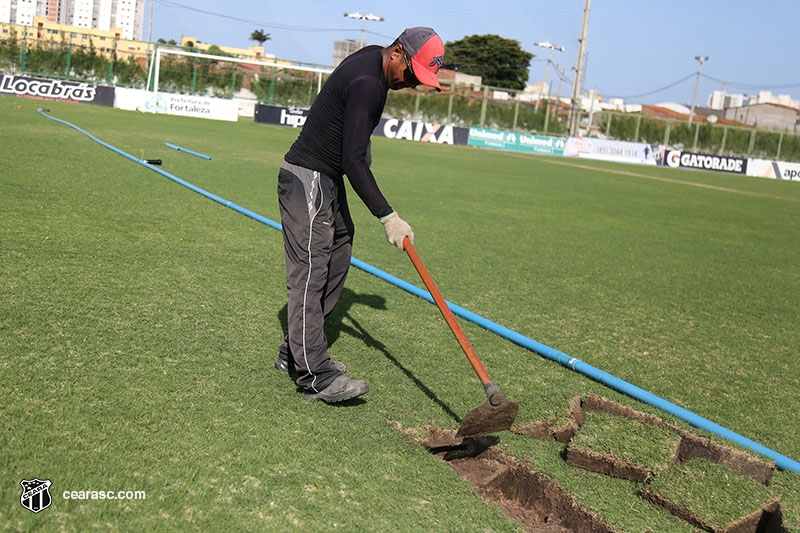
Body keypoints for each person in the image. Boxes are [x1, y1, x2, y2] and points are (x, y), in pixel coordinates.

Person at [274, 27, 445, 403]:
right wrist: (389, 217)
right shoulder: (371, 82)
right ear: (397, 52)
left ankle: (294, 351)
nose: (413, 84)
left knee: (338, 250)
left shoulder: (373, 59)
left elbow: (354, 142)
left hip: (326, 179)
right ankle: (315, 375)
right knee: (311, 271)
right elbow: (352, 159)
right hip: (309, 179)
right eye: (413, 74)